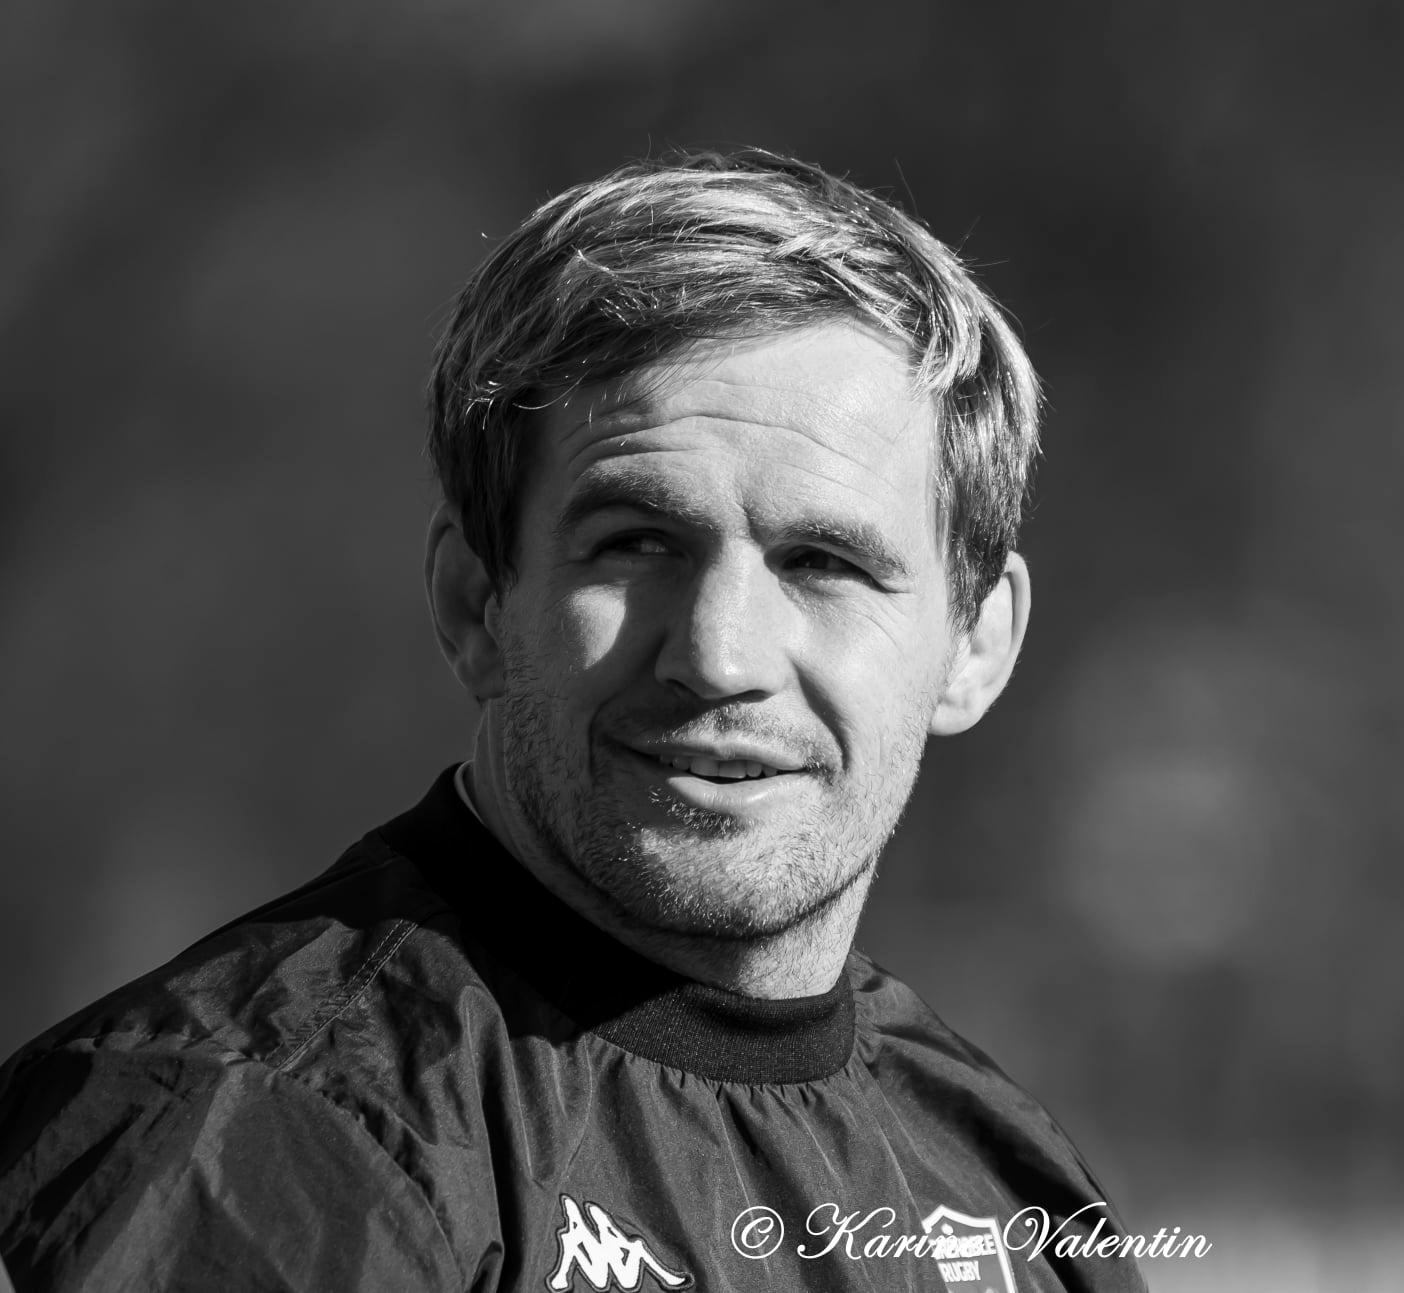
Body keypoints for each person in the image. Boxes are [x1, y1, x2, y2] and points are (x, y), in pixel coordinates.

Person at [0, 150, 1147, 1292]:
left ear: (977, 644)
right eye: (636, 545)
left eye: (823, 563)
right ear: (476, 603)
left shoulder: (1009, 1188)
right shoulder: (266, 1137)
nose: (720, 657)